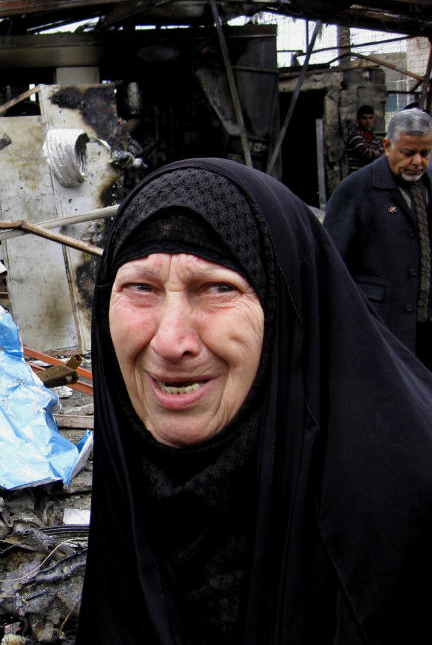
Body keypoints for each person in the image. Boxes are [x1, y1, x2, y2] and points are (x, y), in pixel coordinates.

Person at [77, 158, 432, 643]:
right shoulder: (131, 463)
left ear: (287, 309)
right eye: (141, 287)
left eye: (217, 288)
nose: (169, 342)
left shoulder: (403, 517)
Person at [324, 107, 432, 368]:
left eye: (425, 153)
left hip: (426, 324)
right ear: (387, 146)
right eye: (408, 153)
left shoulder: (428, 183)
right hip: (382, 327)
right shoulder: (357, 190)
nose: (417, 161)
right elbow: (331, 264)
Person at [345, 104, 384, 173]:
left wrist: (375, 153)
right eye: (364, 118)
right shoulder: (355, 136)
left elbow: (383, 154)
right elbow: (366, 154)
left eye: (370, 118)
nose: (368, 121)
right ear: (358, 119)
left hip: (370, 176)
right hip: (357, 177)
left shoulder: (374, 138)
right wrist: (376, 153)